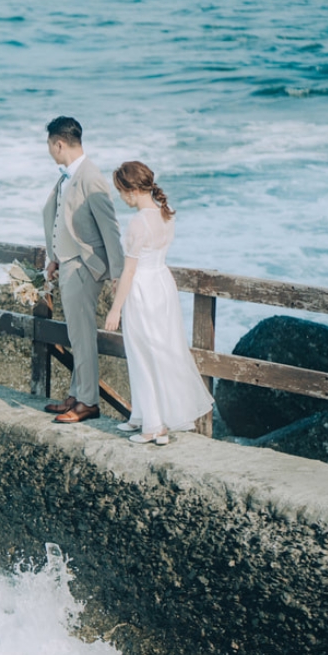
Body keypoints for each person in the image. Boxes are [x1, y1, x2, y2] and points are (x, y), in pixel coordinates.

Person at [103, 161, 213, 444]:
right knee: (160, 349)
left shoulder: (138, 222)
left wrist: (115, 308)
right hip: (162, 284)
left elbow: (129, 270)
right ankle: (143, 416)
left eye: (120, 190)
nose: (120, 197)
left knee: (142, 352)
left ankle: (153, 426)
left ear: (131, 190)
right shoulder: (167, 214)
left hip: (142, 288)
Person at [41, 116, 124, 423]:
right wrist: (55, 257)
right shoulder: (68, 176)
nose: (49, 151)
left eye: (50, 145)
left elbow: (111, 229)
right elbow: (63, 221)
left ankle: (88, 402)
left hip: (84, 267)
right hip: (68, 263)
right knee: (76, 334)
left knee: (83, 335)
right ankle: (77, 394)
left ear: (58, 143)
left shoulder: (91, 177)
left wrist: (117, 274)